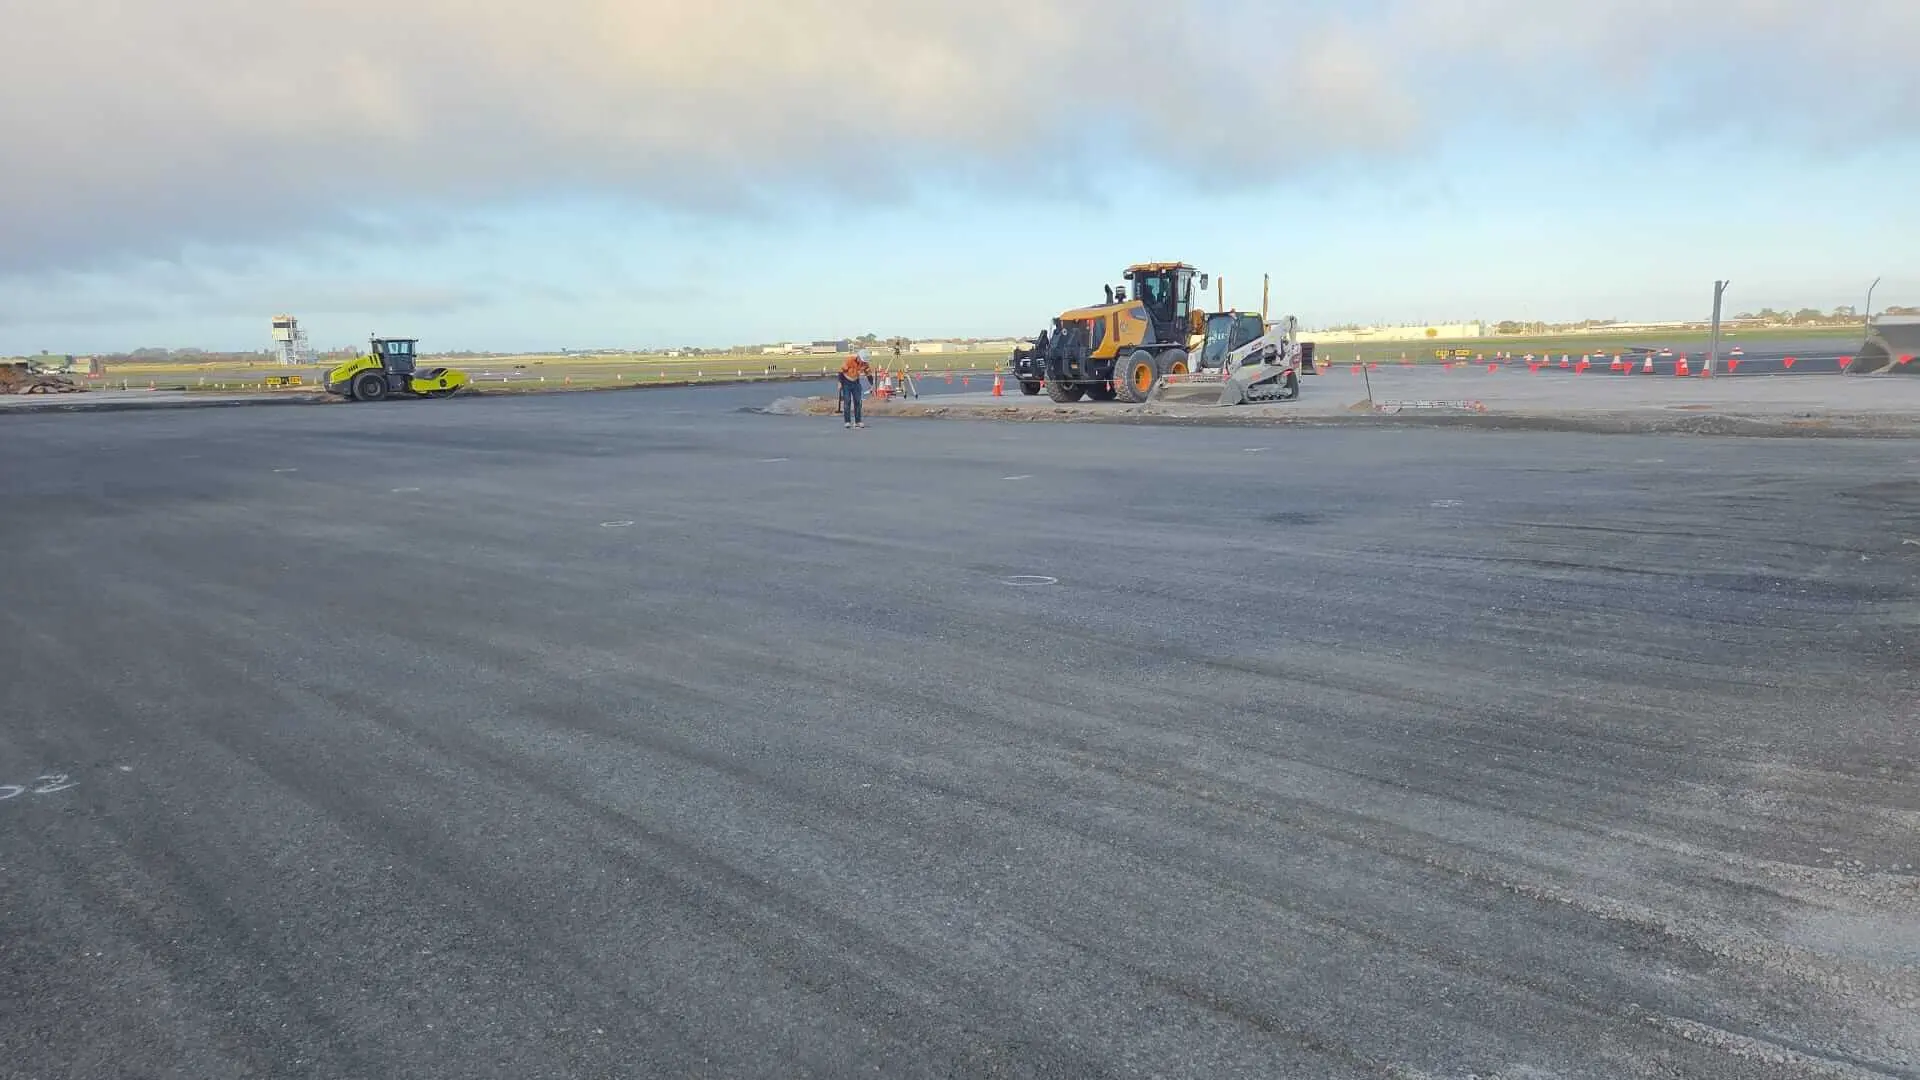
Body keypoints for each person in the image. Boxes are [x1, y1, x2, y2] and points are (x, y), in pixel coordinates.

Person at [838, 352, 872, 428]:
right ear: (858, 357)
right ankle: (847, 421)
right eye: (862, 361)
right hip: (846, 382)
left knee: (858, 401)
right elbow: (841, 372)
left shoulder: (865, 364)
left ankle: (858, 421)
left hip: (856, 382)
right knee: (847, 401)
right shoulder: (850, 360)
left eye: (865, 362)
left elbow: (869, 374)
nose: (863, 363)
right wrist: (840, 382)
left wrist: (871, 385)